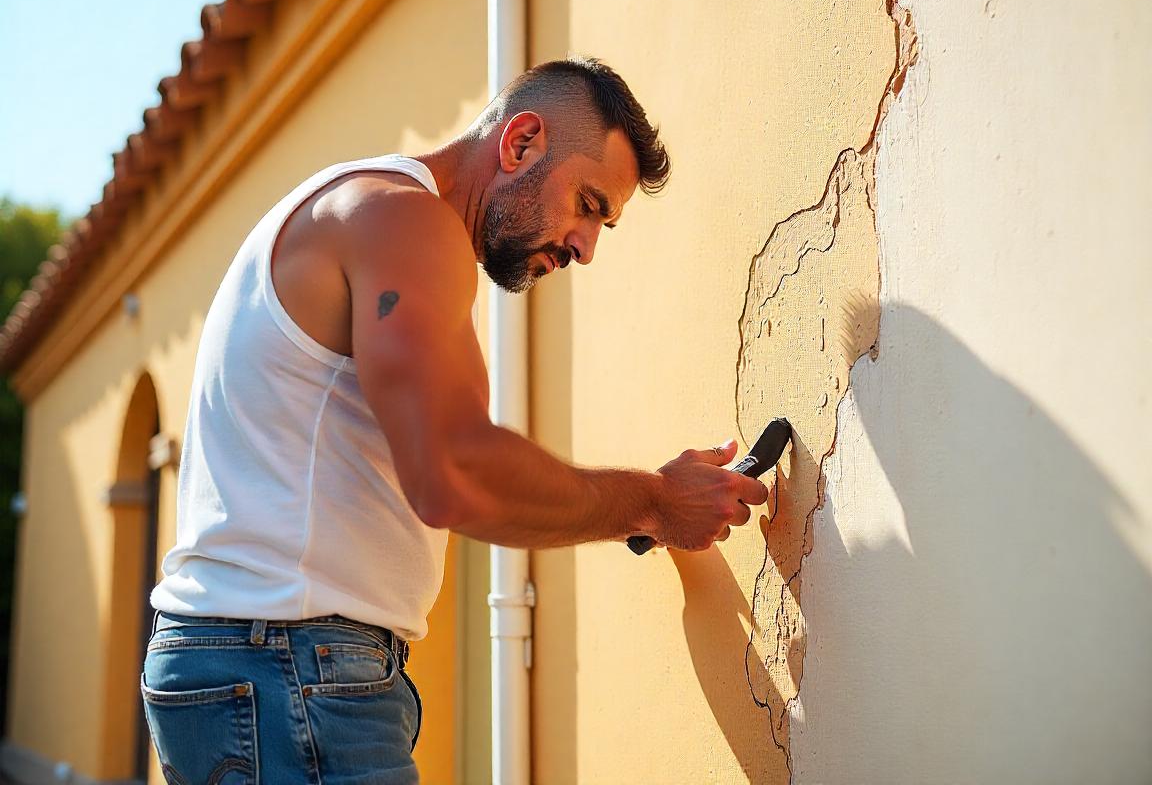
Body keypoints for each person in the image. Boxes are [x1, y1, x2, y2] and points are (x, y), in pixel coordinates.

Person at [141, 57, 771, 783]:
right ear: (521, 142)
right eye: (588, 204)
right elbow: (450, 470)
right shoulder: (403, 221)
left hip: (261, 664)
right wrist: (656, 503)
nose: (585, 247)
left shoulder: (368, 213)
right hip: (287, 665)